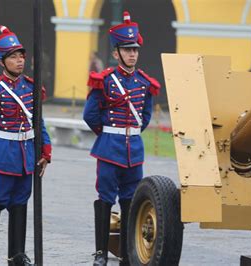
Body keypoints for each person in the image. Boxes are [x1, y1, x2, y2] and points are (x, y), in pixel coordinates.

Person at [83, 11, 160, 266]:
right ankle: (101, 252)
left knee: (131, 201)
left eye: (135, 50)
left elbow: (145, 117)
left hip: (133, 151)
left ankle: (128, 252)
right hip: (108, 148)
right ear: (116, 53)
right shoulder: (104, 80)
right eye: (127, 50)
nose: (132, 54)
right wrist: (109, 133)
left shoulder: (144, 83)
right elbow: (90, 114)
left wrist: (129, 134)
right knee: (105, 198)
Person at [0, 25, 52, 266]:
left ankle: (16, 254)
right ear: (2, 61)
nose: (19, 61)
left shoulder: (30, 87)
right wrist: (1, 139)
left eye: (21, 56)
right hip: (1, 155)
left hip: (25, 156)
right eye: (13, 57)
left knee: (20, 204)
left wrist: (45, 150)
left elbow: (38, 121)